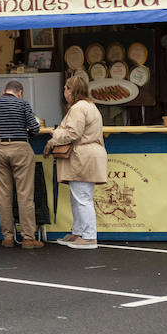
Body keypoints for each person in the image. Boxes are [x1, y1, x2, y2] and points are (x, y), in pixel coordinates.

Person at [0, 79, 44, 249]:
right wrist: (23, 137)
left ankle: (8, 237)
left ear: (5, 91)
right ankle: (27, 238)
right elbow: (35, 128)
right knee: (25, 195)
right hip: (21, 148)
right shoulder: (23, 104)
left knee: (3, 196)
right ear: (19, 92)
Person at [44, 73, 108, 250]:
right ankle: (78, 232)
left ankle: (88, 237)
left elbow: (73, 133)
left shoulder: (78, 108)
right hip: (88, 155)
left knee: (82, 198)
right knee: (78, 197)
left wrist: (54, 135)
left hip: (82, 156)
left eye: (66, 88)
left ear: (72, 91)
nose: (64, 91)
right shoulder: (89, 106)